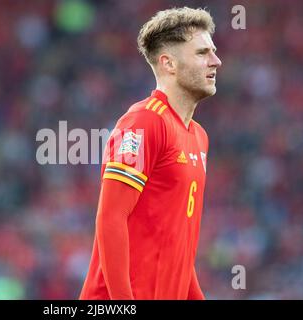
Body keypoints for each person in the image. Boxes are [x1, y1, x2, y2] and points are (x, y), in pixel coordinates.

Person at [79, 7, 222, 300]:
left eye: (213, 51)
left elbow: (178, 247)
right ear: (168, 64)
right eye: (202, 53)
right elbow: (110, 218)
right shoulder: (144, 122)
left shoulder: (199, 137)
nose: (216, 61)